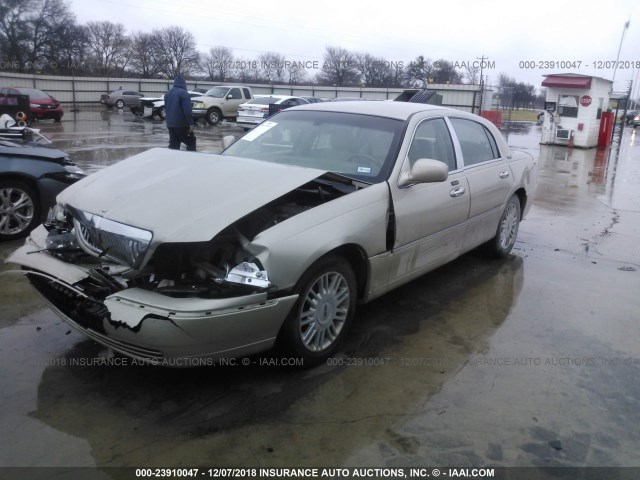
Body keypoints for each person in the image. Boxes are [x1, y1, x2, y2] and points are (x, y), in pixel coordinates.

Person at [164, 74, 196, 151]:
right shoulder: (184, 93)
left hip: (170, 124)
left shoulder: (167, 93)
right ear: (184, 83)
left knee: (174, 145)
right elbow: (187, 111)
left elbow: (166, 109)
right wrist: (191, 123)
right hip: (181, 125)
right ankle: (191, 159)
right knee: (191, 141)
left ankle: (172, 160)